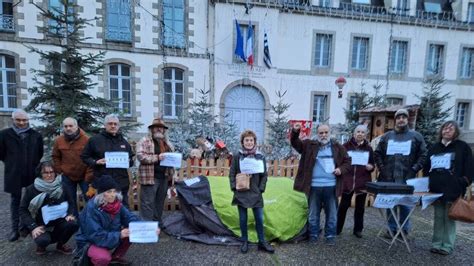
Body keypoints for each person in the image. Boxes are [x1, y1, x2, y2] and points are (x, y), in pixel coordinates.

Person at [75, 175, 159, 265]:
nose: (112, 195)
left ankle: (115, 257)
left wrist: (150, 228)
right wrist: (119, 235)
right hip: (90, 241)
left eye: (114, 191)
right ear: (101, 193)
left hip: (109, 235)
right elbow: (95, 235)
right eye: (109, 191)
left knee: (132, 231)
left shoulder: (117, 204)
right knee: (103, 258)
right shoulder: (92, 208)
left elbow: (130, 218)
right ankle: (94, 260)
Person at [290, 123, 351, 246]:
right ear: (317, 134)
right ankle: (313, 235)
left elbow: (347, 161)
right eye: (321, 133)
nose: (323, 135)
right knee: (313, 213)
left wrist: (340, 169)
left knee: (332, 214)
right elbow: (296, 143)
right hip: (314, 186)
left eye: (326, 132)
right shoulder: (309, 145)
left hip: (331, 186)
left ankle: (330, 236)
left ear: (330, 133)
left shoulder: (338, 147)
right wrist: (295, 132)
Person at [374, 108, 427, 237]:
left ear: (407, 119)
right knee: (390, 204)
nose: (401, 119)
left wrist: (415, 168)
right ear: (395, 120)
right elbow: (378, 153)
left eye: (404, 117)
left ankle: (404, 229)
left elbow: (423, 154)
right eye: (398, 117)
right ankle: (391, 229)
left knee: (405, 204)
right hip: (389, 177)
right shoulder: (387, 136)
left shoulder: (416, 136)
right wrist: (382, 168)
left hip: (406, 177)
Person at [423, 121, 473, 255]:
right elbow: (427, 166)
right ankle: (436, 243)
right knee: (438, 217)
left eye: (451, 128)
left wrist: (463, 181)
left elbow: (469, 167)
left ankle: (447, 245)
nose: (447, 130)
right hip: (436, 188)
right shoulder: (435, 147)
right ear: (441, 131)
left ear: (455, 132)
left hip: (453, 188)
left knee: (450, 217)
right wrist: (428, 182)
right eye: (445, 128)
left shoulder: (462, 147)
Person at [0, 109, 44, 241]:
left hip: (31, 173)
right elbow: (1, 153)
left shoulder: (36, 135)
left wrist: (32, 164)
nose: (21, 122)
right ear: (13, 120)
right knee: (15, 201)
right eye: (18, 120)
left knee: (31, 200)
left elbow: (39, 153)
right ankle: (15, 229)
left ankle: (27, 226)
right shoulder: (4, 134)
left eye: (24, 120)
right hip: (14, 173)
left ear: (28, 120)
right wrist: (12, 162)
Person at [229, 130, 274, 254]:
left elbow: (264, 175)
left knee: (259, 218)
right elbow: (232, 173)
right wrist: (234, 187)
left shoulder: (260, 157)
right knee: (243, 219)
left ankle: (262, 242)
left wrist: (261, 189)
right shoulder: (238, 156)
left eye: (251, 140)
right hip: (241, 191)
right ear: (242, 142)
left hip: (256, 192)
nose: (249, 142)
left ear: (255, 142)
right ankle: (244, 241)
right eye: (246, 140)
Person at [19, 161, 79, 255]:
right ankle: (41, 245)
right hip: (40, 223)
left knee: (73, 224)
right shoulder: (31, 189)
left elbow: (71, 202)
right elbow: (23, 209)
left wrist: (69, 214)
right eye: (46, 173)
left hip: (59, 220)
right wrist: (33, 227)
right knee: (43, 240)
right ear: (40, 174)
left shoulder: (62, 186)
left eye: (52, 172)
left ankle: (61, 244)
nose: (49, 175)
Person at [81, 114, 134, 207]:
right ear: (105, 125)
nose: (113, 126)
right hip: (102, 182)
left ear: (118, 126)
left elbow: (131, 161)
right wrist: (95, 162)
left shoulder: (124, 142)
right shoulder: (95, 140)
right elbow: (84, 157)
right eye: (110, 124)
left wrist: (128, 161)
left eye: (115, 124)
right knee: (103, 210)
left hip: (121, 183)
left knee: (122, 209)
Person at [337, 125, 374, 238]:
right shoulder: (345, 146)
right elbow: (340, 162)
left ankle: (358, 230)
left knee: (360, 208)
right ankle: (337, 228)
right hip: (348, 181)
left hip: (362, 181)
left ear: (365, 134)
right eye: (358, 131)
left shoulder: (368, 148)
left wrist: (370, 167)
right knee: (343, 206)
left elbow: (373, 164)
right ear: (354, 133)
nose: (360, 134)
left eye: (362, 132)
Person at [136, 118, 175, 224]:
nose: (159, 129)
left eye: (161, 128)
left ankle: (156, 224)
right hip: (150, 177)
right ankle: (146, 226)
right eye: (156, 127)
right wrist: (157, 157)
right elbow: (140, 156)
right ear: (152, 129)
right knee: (147, 203)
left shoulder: (168, 144)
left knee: (160, 202)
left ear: (164, 130)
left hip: (164, 177)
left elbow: (171, 159)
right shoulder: (144, 141)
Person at [52, 117, 91, 216]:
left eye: (71, 126)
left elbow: (92, 158)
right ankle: (74, 225)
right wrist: (60, 170)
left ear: (76, 126)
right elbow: (55, 156)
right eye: (65, 126)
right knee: (70, 202)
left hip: (84, 176)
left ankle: (90, 223)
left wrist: (89, 176)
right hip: (67, 176)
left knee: (90, 201)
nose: (68, 128)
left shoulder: (87, 140)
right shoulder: (59, 141)